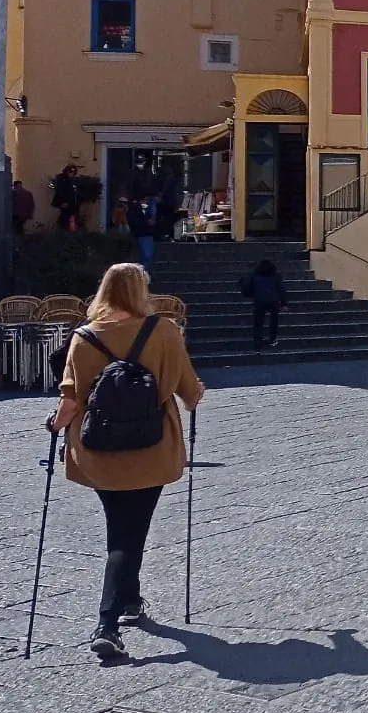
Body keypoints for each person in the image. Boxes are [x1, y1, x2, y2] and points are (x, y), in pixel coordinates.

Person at [45, 263, 204, 661]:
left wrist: (54, 426)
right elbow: (190, 393)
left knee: (122, 528)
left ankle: (130, 601)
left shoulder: (84, 337)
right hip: (151, 448)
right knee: (128, 536)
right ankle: (107, 624)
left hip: (99, 451)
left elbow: (70, 399)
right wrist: (193, 390)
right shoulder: (164, 331)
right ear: (141, 291)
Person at [243, 259, 288, 350]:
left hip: (259, 300)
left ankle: (258, 341)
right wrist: (284, 303)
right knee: (274, 320)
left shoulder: (255, 275)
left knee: (258, 322)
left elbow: (248, 288)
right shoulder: (275, 276)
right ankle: (272, 339)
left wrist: (252, 294)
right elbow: (281, 289)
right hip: (273, 300)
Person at [52, 165, 84, 233]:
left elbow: (76, 193)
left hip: (73, 205)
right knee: (65, 220)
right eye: (70, 172)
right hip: (66, 204)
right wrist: (63, 202)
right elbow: (60, 192)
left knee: (72, 220)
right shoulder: (62, 180)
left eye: (73, 172)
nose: (72, 173)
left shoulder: (74, 181)